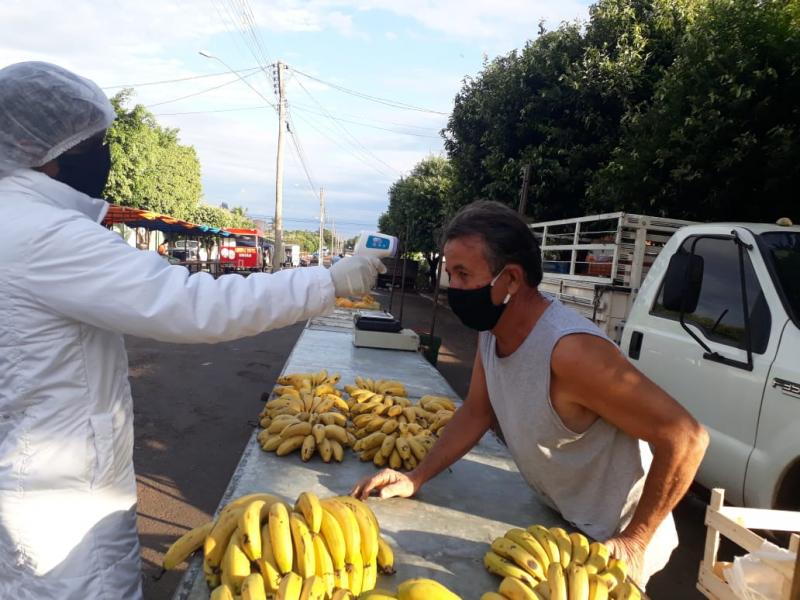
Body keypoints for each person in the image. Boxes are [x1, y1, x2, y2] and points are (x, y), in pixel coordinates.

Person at [0, 61, 385, 599]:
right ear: (35, 147)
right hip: (57, 498)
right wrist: (326, 282)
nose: (104, 154)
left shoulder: (18, 221)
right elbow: (188, 304)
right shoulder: (44, 233)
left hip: (50, 481)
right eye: (91, 142)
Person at [352, 200, 709, 587]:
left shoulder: (569, 350)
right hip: (562, 522)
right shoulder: (492, 331)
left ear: (512, 279)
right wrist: (416, 477)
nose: (452, 287)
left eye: (463, 274)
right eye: (449, 273)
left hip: (617, 538)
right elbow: (477, 411)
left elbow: (687, 437)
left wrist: (636, 540)